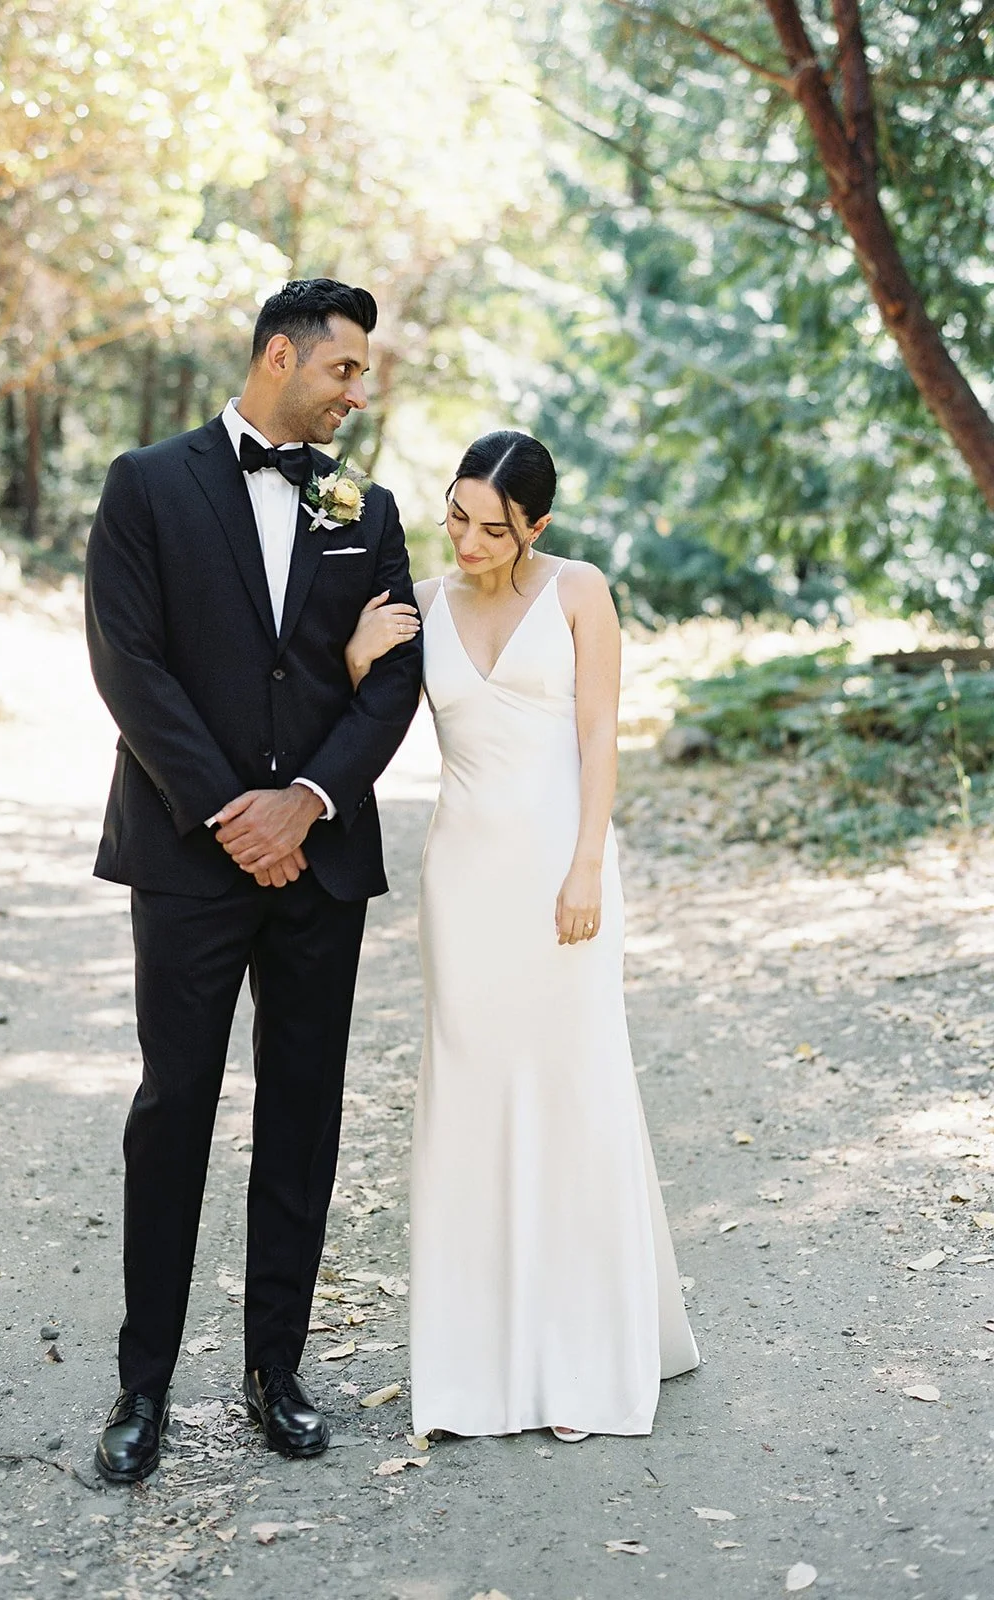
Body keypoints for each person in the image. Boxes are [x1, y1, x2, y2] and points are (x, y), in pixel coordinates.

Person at [84, 279, 423, 1481]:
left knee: (302, 1114)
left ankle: (276, 1372)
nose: (357, 392)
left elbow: (394, 678)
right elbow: (127, 661)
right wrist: (233, 813)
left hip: (319, 861)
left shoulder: (368, 508)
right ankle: (143, 1386)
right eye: (343, 369)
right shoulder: (146, 485)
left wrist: (307, 801)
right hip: (190, 854)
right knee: (174, 1108)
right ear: (280, 355)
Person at [345, 431, 698, 1441]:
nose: (467, 542)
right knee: (472, 1100)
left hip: (561, 871)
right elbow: (361, 725)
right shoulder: (423, 603)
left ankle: (581, 1362)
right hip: (464, 882)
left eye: (493, 529)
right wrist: (357, 656)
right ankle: (478, 1370)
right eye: (456, 517)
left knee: (574, 1090)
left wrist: (586, 864)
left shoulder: (579, 591)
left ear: (537, 526)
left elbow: (598, 736)